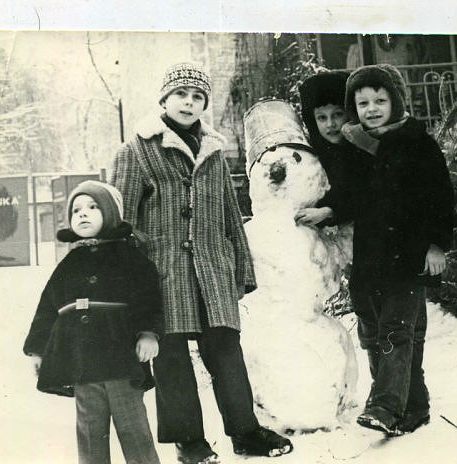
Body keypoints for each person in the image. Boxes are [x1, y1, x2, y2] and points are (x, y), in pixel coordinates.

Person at [110, 62, 292, 464]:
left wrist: (241, 269)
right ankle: (188, 441)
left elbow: (230, 214)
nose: (189, 103)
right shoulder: (135, 150)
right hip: (163, 273)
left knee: (226, 348)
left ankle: (245, 431)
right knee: (172, 357)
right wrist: (129, 278)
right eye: (181, 94)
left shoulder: (213, 150)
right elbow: (122, 222)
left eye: (197, 97)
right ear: (164, 99)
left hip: (213, 268)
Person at [341, 64, 455, 435]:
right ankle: (413, 406)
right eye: (363, 103)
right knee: (376, 331)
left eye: (380, 100)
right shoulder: (354, 147)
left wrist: (437, 245)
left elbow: (441, 198)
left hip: (409, 256)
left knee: (396, 331)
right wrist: (327, 210)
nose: (372, 109)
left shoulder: (417, 143)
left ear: (396, 102)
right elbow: (349, 197)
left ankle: (385, 406)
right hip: (370, 257)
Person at [23, 180, 163, 464]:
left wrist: (148, 333)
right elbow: (48, 307)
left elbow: (148, 298)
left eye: (92, 207)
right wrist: (38, 349)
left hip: (121, 359)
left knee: (133, 428)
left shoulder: (130, 258)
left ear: (110, 214)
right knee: (89, 432)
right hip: (82, 362)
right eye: (76, 210)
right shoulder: (69, 263)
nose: (83, 214)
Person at [296, 70, 355, 228]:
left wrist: (328, 211)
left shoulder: (361, 150)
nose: (330, 124)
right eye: (322, 117)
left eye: (337, 114)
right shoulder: (313, 153)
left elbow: (362, 196)